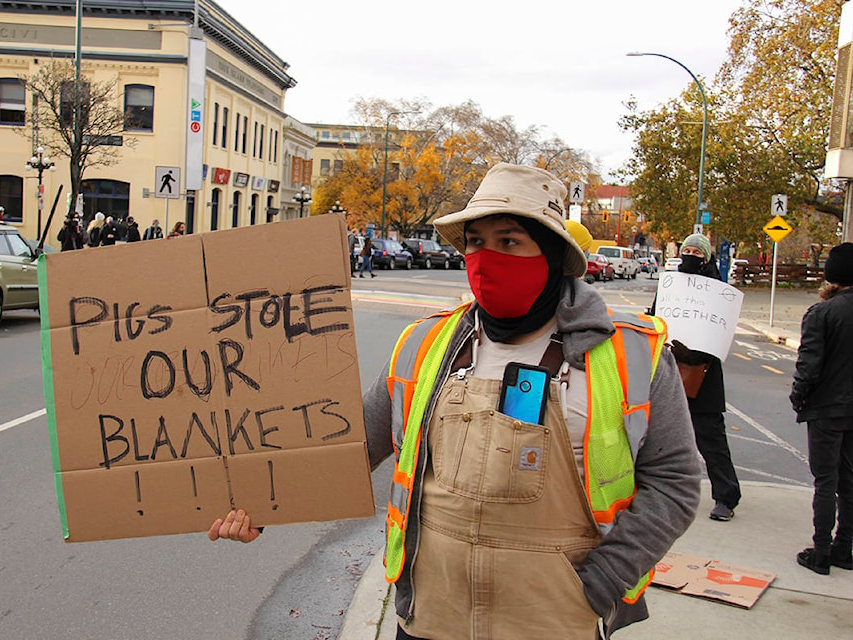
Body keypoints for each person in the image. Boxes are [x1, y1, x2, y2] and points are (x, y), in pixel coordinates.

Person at [208, 164, 700, 639]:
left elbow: (675, 483)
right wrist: (266, 504)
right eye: (475, 242)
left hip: (556, 619)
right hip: (430, 618)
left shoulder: (633, 353)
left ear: (550, 255)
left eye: (508, 241)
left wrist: (603, 583)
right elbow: (350, 452)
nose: (486, 259)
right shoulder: (424, 344)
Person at [668, 233, 742, 523]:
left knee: (711, 439)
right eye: (686, 250)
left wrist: (693, 355)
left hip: (703, 376)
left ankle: (726, 496)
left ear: (707, 257)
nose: (690, 255)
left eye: (697, 252)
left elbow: (718, 333)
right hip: (668, 370)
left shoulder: (718, 291)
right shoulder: (671, 286)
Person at [790, 242, 853, 575]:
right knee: (850, 481)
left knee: (825, 480)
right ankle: (845, 548)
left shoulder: (822, 314)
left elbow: (809, 367)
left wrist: (799, 396)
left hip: (827, 408)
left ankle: (822, 549)